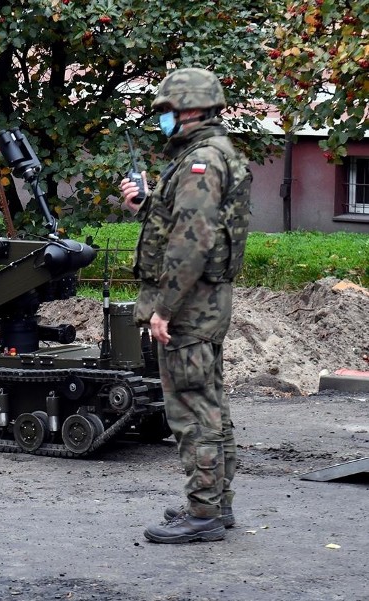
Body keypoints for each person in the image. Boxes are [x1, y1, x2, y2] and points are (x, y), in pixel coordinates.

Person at [119, 67, 252, 544]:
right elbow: (186, 225)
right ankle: (215, 503)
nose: (165, 120)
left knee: (193, 409)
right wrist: (145, 206)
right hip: (206, 303)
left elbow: (190, 244)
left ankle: (204, 513)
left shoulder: (201, 163)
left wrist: (164, 308)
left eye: (169, 112)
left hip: (191, 307)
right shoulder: (212, 156)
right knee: (210, 402)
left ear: (191, 108)